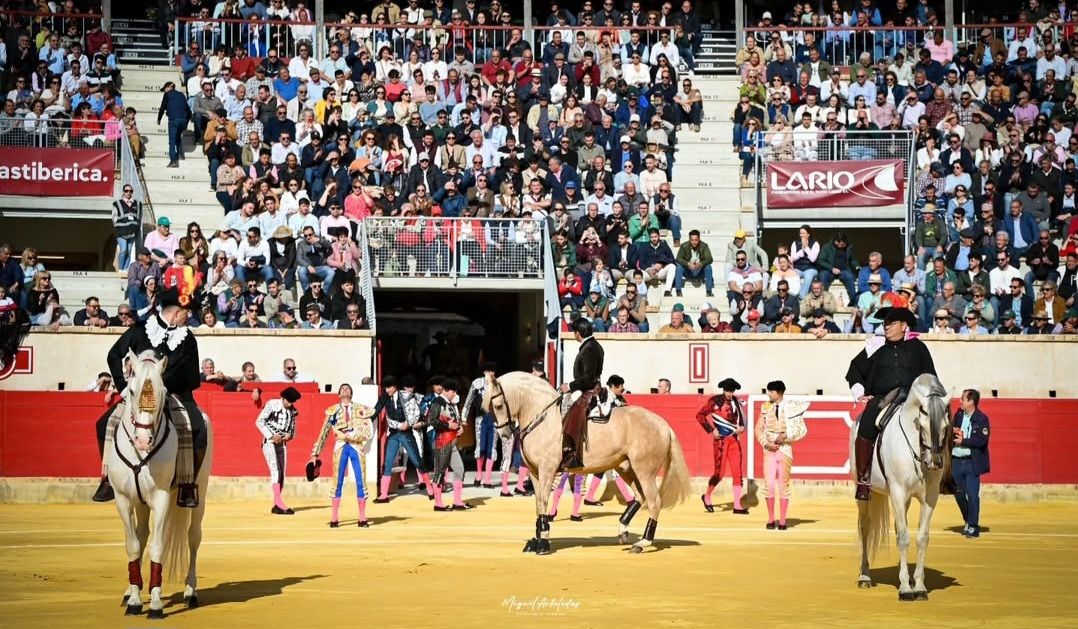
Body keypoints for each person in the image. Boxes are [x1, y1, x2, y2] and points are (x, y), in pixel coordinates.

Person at [92, 287, 204, 507]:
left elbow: (189, 378)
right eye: (186, 312)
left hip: (174, 394)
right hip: (137, 394)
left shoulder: (187, 338)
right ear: (175, 312)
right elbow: (114, 355)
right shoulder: (142, 328)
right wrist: (124, 387)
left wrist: (164, 389)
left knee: (199, 427)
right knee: (103, 424)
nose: (188, 316)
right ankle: (107, 479)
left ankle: (187, 484)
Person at [846, 305, 938, 500]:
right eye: (885, 323)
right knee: (868, 419)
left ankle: (945, 475)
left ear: (904, 325)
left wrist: (933, 396)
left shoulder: (918, 347)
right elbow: (854, 370)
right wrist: (859, 392)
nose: (886, 327)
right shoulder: (876, 346)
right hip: (883, 398)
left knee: (940, 421)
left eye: (891, 323)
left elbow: (930, 375)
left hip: (914, 397)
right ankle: (863, 481)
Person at [309, 383, 375, 528]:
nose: (345, 389)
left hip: (356, 445)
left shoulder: (360, 409)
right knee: (337, 482)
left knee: (361, 481)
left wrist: (364, 442)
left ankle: (362, 518)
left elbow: (368, 427)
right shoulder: (332, 411)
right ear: (338, 395)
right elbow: (324, 433)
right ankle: (334, 517)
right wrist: (315, 454)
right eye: (342, 389)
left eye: (348, 388)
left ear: (351, 394)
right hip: (340, 446)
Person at [755, 380, 808, 530]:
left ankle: (783, 521)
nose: (768, 394)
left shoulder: (791, 408)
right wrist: (766, 443)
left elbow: (801, 430)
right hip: (769, 449)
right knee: (769, 484)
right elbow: (758, 429)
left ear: (779, 393)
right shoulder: (765, 407)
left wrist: (786, 436)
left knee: (783, 485)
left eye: (771, 392)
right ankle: (771, 519)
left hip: (785, 449)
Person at [370, 375, 433, 502]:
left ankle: (430, 489)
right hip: (393, 433)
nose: (387, 390)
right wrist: (365, 421)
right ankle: (383, 494)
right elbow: (375, 411)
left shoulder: (406, 395)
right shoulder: (384, 398)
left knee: (417, 460)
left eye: (389, 387)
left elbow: (418, 409)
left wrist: (410, 423)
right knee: (387, 463)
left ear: (395, 387)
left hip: (406, 433)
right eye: (385, 387)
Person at [697, 377, 749, 514]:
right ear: (723, 390)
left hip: (734, 440)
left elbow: (743, 422)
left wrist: (741, 428)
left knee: (737, 472)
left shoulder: (737, 402)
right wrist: (711, 430)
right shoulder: (715, 401)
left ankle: (737, 505)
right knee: (719, 474)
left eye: (732, 391)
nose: (729, 394)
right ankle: (707, 496)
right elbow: (700, 415)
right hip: (720, 441)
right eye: (727, 391)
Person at [558, 318, 603, 470]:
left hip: (588, 391)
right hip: (590, 387)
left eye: (574, 332)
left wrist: (569, 386)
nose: (574, 334)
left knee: (574, 413)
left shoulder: (589, 348)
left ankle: (572, 455)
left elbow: (588, 378)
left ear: (578, 333)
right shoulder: (593, 345)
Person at [426, 378, 473, 511]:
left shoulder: (450, 403)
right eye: (453, 391)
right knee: (440, 473)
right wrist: (448, 425)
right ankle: (438, 503)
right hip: (442, 442)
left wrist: (459, 428)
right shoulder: (437, 402)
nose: (455, 394)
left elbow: (455, 421)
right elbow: (431, 421)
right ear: (447, 391)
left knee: (459, 470)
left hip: (452, 442)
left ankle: (457, 501)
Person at [256, 386, 302, 515]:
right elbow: (259, 421)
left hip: (282, 444)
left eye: (293, 402)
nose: (291, 404)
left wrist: (289, 436)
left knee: (282, 474)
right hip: (269, 442)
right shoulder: (272, 404)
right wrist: (271, 436)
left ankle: (276, 505)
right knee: (275, 471)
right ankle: (279, 503)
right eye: (289, 401)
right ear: (283, 398)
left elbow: (293, 430)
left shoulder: (292, 411)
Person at [951, 388, 990, 538]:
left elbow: (982, 440)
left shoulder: (982, 419)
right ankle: (968, 519)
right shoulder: (958, 415)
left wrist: (964, 440)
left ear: (971, 402)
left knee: (972, 495)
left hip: (971, 463)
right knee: (959, 494)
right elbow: (952, 433)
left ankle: (973, 526)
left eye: (963, 399)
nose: (960, 401)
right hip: (956, 461)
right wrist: (953, 432)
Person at [463, 363, 499, 487]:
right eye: (489, 371)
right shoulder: (476, 383)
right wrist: (463, 418)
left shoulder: (498, 384)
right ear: (484, 372)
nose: (491, 373)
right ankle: (479, 475)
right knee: (480, 447)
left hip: (495, 419)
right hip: (480, 418)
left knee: (492, 448)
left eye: (493, 371)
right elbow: (468, 401)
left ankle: (487, 478)